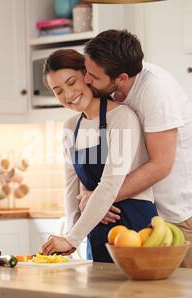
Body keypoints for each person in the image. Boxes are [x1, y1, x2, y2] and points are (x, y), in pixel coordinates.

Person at [79, 30, 192, 269]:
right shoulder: (107, 89)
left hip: (181, 211)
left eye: (93, 76)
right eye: (85, 71)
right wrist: (87, 195)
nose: (86, 80)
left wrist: (99, 200)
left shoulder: (156, 92)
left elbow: (160, 165)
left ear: (121, 77)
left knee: (184, 294)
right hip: (144, 210)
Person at [40, 49, 157, 262]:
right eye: (58, 91)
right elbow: (70, 188)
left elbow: (111, 183)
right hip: (95, 227)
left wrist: (72, 238)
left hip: (133, 225)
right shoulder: (70, 127)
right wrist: (72, 235)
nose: (68, 95)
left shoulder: (122, 117)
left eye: (71, 82)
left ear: (86, 76)